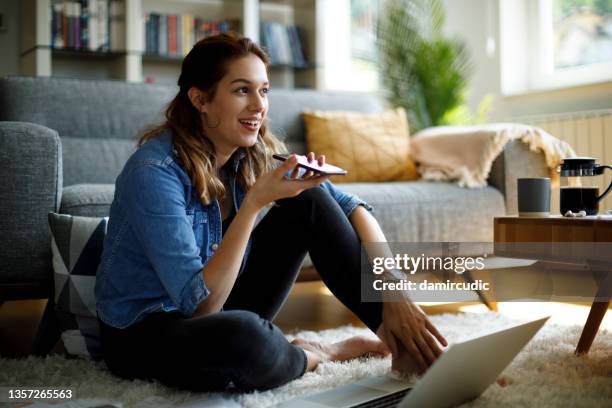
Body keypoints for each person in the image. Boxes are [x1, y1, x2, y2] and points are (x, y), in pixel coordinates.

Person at [94, 33, 447, 392]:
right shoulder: (153, 172)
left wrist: (394, 290)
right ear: (200, 98)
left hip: (219, 309)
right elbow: (200, 306)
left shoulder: (255, 152)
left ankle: (405, 344)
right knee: (247, 339)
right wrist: (253, 204)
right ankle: (320, 354)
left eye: (263, 91)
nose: (258, 105)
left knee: (309, 201)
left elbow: (350, 208)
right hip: (147, 332)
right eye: (241, 90)